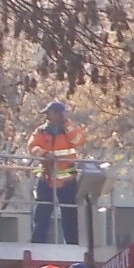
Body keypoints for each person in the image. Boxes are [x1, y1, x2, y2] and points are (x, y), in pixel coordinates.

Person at [27, 99, 87, 244]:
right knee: (42, 212)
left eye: (51, 113)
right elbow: (32, 146)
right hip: (47, 177)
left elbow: (78, 140)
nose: (48, 116)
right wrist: (44, 153)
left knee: (69, 214)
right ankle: (37, 244)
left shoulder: (70, 130)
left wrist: (66, 124)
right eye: (47, 113)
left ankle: (72, 245)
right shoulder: (41, 131)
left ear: (60, 114)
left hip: (67, 180)